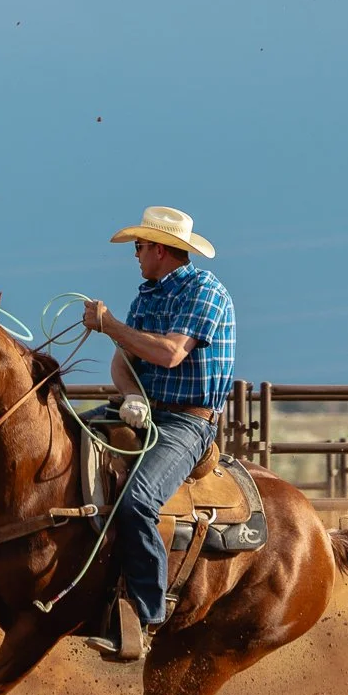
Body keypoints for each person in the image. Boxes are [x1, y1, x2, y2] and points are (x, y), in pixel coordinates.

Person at [76, 206, 235, 661]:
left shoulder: (204, 291)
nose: (136, 255)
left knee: (138, 500)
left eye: (140, 247)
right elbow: (124, 360)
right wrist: (131, 394)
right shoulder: (147, 295)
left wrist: (110, 326)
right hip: (147, 411)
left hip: (189, 421)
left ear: (162, 250)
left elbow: (168, 355)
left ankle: (144, 615)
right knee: (63, 441)